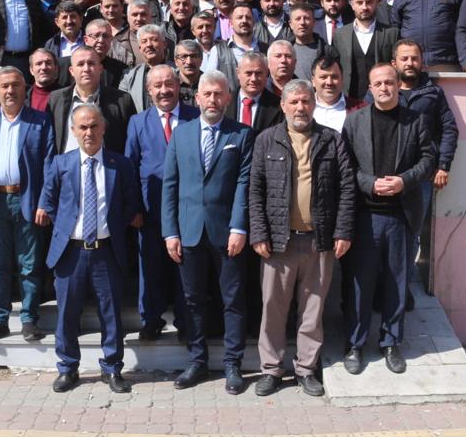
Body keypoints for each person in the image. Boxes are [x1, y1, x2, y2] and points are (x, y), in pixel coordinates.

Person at [249, 79, 355, 397]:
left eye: (306, 101)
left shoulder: (331, 139)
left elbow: (347, 188)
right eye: (294, 102)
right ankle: (271, 369)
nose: (300, 107)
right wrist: (259, 232)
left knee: (313, 310)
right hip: (278, 242)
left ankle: (306, 369)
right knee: (273, 309)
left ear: (313, 104)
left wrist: (343, 231)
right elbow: (255, 190)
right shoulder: (267, 140)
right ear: (283, 105)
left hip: (318, 241)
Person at [36, 103, 143, 394]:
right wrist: (68, 227)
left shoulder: (120, 165)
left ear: (103, 128)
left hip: (107, 251)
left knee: (111, 314)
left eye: (94, 126)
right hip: (70, 252)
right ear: (73, 130)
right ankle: (68, 368)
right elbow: (49, 203)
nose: (89, 132)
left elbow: (130, 204)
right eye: (83, 127)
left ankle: (112, 368)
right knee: (67, 314)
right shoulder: (60, 164)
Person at [162, 69, 254, 394]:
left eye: (219, 94)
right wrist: (170, 232)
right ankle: (197, 361)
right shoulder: (181, 135)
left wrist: (239, 226)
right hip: (188, 232)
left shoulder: (241, 135)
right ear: (197, 98)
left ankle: (232, 364)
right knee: (193, 300)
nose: (213, 100)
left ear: (228, 98)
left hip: (228, 233)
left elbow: (244, 184)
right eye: (208, 94)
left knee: (233, 299)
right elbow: (170, 185)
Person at [340, 64, 434, 376]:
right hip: (365, 217)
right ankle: (355, 344)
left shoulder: (415, 120)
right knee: (360, 284)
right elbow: (346, 166)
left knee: (396, 282)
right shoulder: (354, 122)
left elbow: (428, 159)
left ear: (398, 85)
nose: (384, 88)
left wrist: (404, 181)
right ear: (370, 88)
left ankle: (391, 342)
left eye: (389, 82)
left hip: (400, 216)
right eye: (378, 83)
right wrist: (369, 183)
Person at [0, 67, 55, 341]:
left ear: (25, 88)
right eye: (4, 86)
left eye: (15, 85)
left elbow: (49, 166)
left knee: (30, 265)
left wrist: (45, 203)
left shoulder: (40, 122)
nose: (10, 91)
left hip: (27, 202)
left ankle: (29, 320)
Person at [125, 65, 199, 341]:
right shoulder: (137, 122)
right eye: (157, 86)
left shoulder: (195, 117)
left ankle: (186, 321)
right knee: (151, 267)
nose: (164, 90)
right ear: (149, 90)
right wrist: (134, 207)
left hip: (188, 207)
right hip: (150, 208)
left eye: (169, 84)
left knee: (185, 268)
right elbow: (130, 166)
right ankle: (151, 319)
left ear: (179, 86)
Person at [391, 39, 458, 311]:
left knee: (412, 234)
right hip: (388, 177)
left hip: (421, 179)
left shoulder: (434, 93)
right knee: (386, 233)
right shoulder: (384, 88)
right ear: (394, 62)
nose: (410, 63)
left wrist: (443, 165)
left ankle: (402, 289)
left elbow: (449, 129)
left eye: (415, 58)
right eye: (404, 58)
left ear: (422, 62)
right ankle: (385, 287)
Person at [46, 46, 136, 154]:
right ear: (71, 71)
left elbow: (132, 143)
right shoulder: (55, 99)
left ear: (100, 69)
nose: (86, 69)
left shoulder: (122, 100)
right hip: (66, 164)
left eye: (91, 63)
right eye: (80, 64)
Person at [333, 0, 398, 99]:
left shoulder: (392, 33)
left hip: (382, 98)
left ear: (377, 2)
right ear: (352, 4)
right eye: (359, 2)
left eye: (369, 2)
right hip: (349, 99)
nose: (364, 7)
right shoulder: (340, 35)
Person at [118, 24, 173, 112]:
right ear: (140, 48)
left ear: (164, 44)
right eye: (144, 41)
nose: (149, 45)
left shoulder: (177, 72)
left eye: (154, 40)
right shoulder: (129, 76)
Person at [227, 51, 284, 134]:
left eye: (258, 73)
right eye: (248, 73)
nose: (253, 79)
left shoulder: (279, 107)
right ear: (238, 73)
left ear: (267, 73)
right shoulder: (225, 102)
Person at [311, 55, 363, 132]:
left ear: (342, 79)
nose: (329, 82)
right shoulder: (301, 108)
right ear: (313, 81)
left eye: (334, 77)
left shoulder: (361, 109)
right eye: (323, 77)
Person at [288, 5, 328, 81]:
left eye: (306, 18)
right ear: (290, 24)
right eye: (298, 19)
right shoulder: (285, 50)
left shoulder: (327, 51)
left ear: (314, 22)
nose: (302, 22)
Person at [97, 0, 135, 67]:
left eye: (115, 6)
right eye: (107, 6)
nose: (111, 10)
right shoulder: (94, 31)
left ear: (122, 7)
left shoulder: (132, 30)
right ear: (101, 8)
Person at [118, 0, 157, 66]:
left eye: (143, 14)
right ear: (127, 17)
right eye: (135, 15)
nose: (139, 19)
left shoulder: (163, 40)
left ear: (151, 16)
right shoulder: (116, 44)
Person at [173, 39, 203, 106]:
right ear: (176, 61)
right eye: (184, 56)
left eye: (193, 56)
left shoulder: (209, 83)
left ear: (201, 60)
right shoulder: (170, 84)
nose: (189, 62)